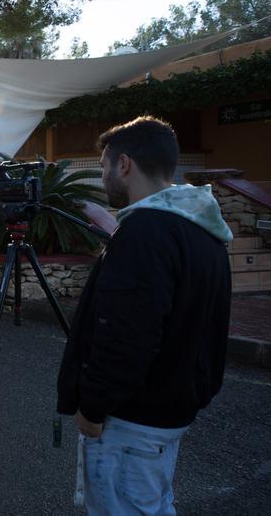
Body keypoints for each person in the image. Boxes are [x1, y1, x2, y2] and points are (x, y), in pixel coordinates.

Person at [56, 116, 232, 515]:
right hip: (167, 411)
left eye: (103, 167)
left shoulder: (145, 234)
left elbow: (125, 335)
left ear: (124, 165)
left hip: (131, 421)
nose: (102, 177)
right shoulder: (201, 226)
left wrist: (92, 408)